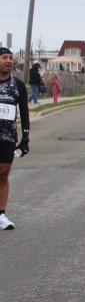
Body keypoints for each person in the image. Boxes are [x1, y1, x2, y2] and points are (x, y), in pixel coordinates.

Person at [0, 46, 31, 230]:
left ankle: (1, 215)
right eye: (4, 57)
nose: (8, 61)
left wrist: (25, 140)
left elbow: (24, 114)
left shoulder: (18, 85)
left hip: (7, 137)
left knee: (3, 174)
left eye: (10, 58)